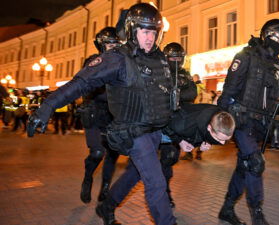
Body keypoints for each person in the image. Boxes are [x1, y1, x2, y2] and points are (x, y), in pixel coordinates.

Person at [27, 3, 177, 225]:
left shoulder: (160, 59)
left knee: (135, 173)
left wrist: (189, 135)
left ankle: (106, 207)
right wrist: (47, 107)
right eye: (145, 31)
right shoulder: (117, 58)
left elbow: (168, 99)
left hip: (157, 132)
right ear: (132, 30)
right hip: (134, 133)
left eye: (154, 32)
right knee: (156, 183)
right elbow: (81, 83)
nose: (150, 38)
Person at [217, 19, 279, 225]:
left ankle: (226, 209)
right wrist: (221, 124)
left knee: (245, 167)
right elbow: (228, 92)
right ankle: (257, 215)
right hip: (242, 122)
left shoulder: (277, 66)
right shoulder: (245, 57)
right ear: (268, 35)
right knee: (255, 163)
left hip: (262, 125)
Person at [105, 103, 235, 212]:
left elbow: (204, 133)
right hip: (157, 131)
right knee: (139, 172)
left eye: (226, 140)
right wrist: (180, 141)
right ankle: (108, 206)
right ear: (209, 128)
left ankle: (165, 198)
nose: (222, 143)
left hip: (174, 129)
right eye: (219, 139)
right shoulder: (184, 125)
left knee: (166, 165)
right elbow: (170, 127)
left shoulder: (221, 118)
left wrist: (205, 142)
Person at [79, 26, 121, 204]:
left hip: (113, 116)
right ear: (101, 45)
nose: (112, 46)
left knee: (112, 154)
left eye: (115, 43)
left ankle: (105, 187)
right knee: (97, 152)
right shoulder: (93, 61)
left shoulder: (122, 63)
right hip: (95, 113)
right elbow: (89, 85)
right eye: (109, 43)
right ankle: (88, 177)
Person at [160, 42, 197, 207]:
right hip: (156, 123)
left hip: (175, 124)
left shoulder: (185, 75)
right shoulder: (159, 72)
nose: (175, 60)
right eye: (172, 57)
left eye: (178, 57)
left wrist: (176, 92)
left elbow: (192, 93)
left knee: (170, 159)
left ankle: (165, 190)